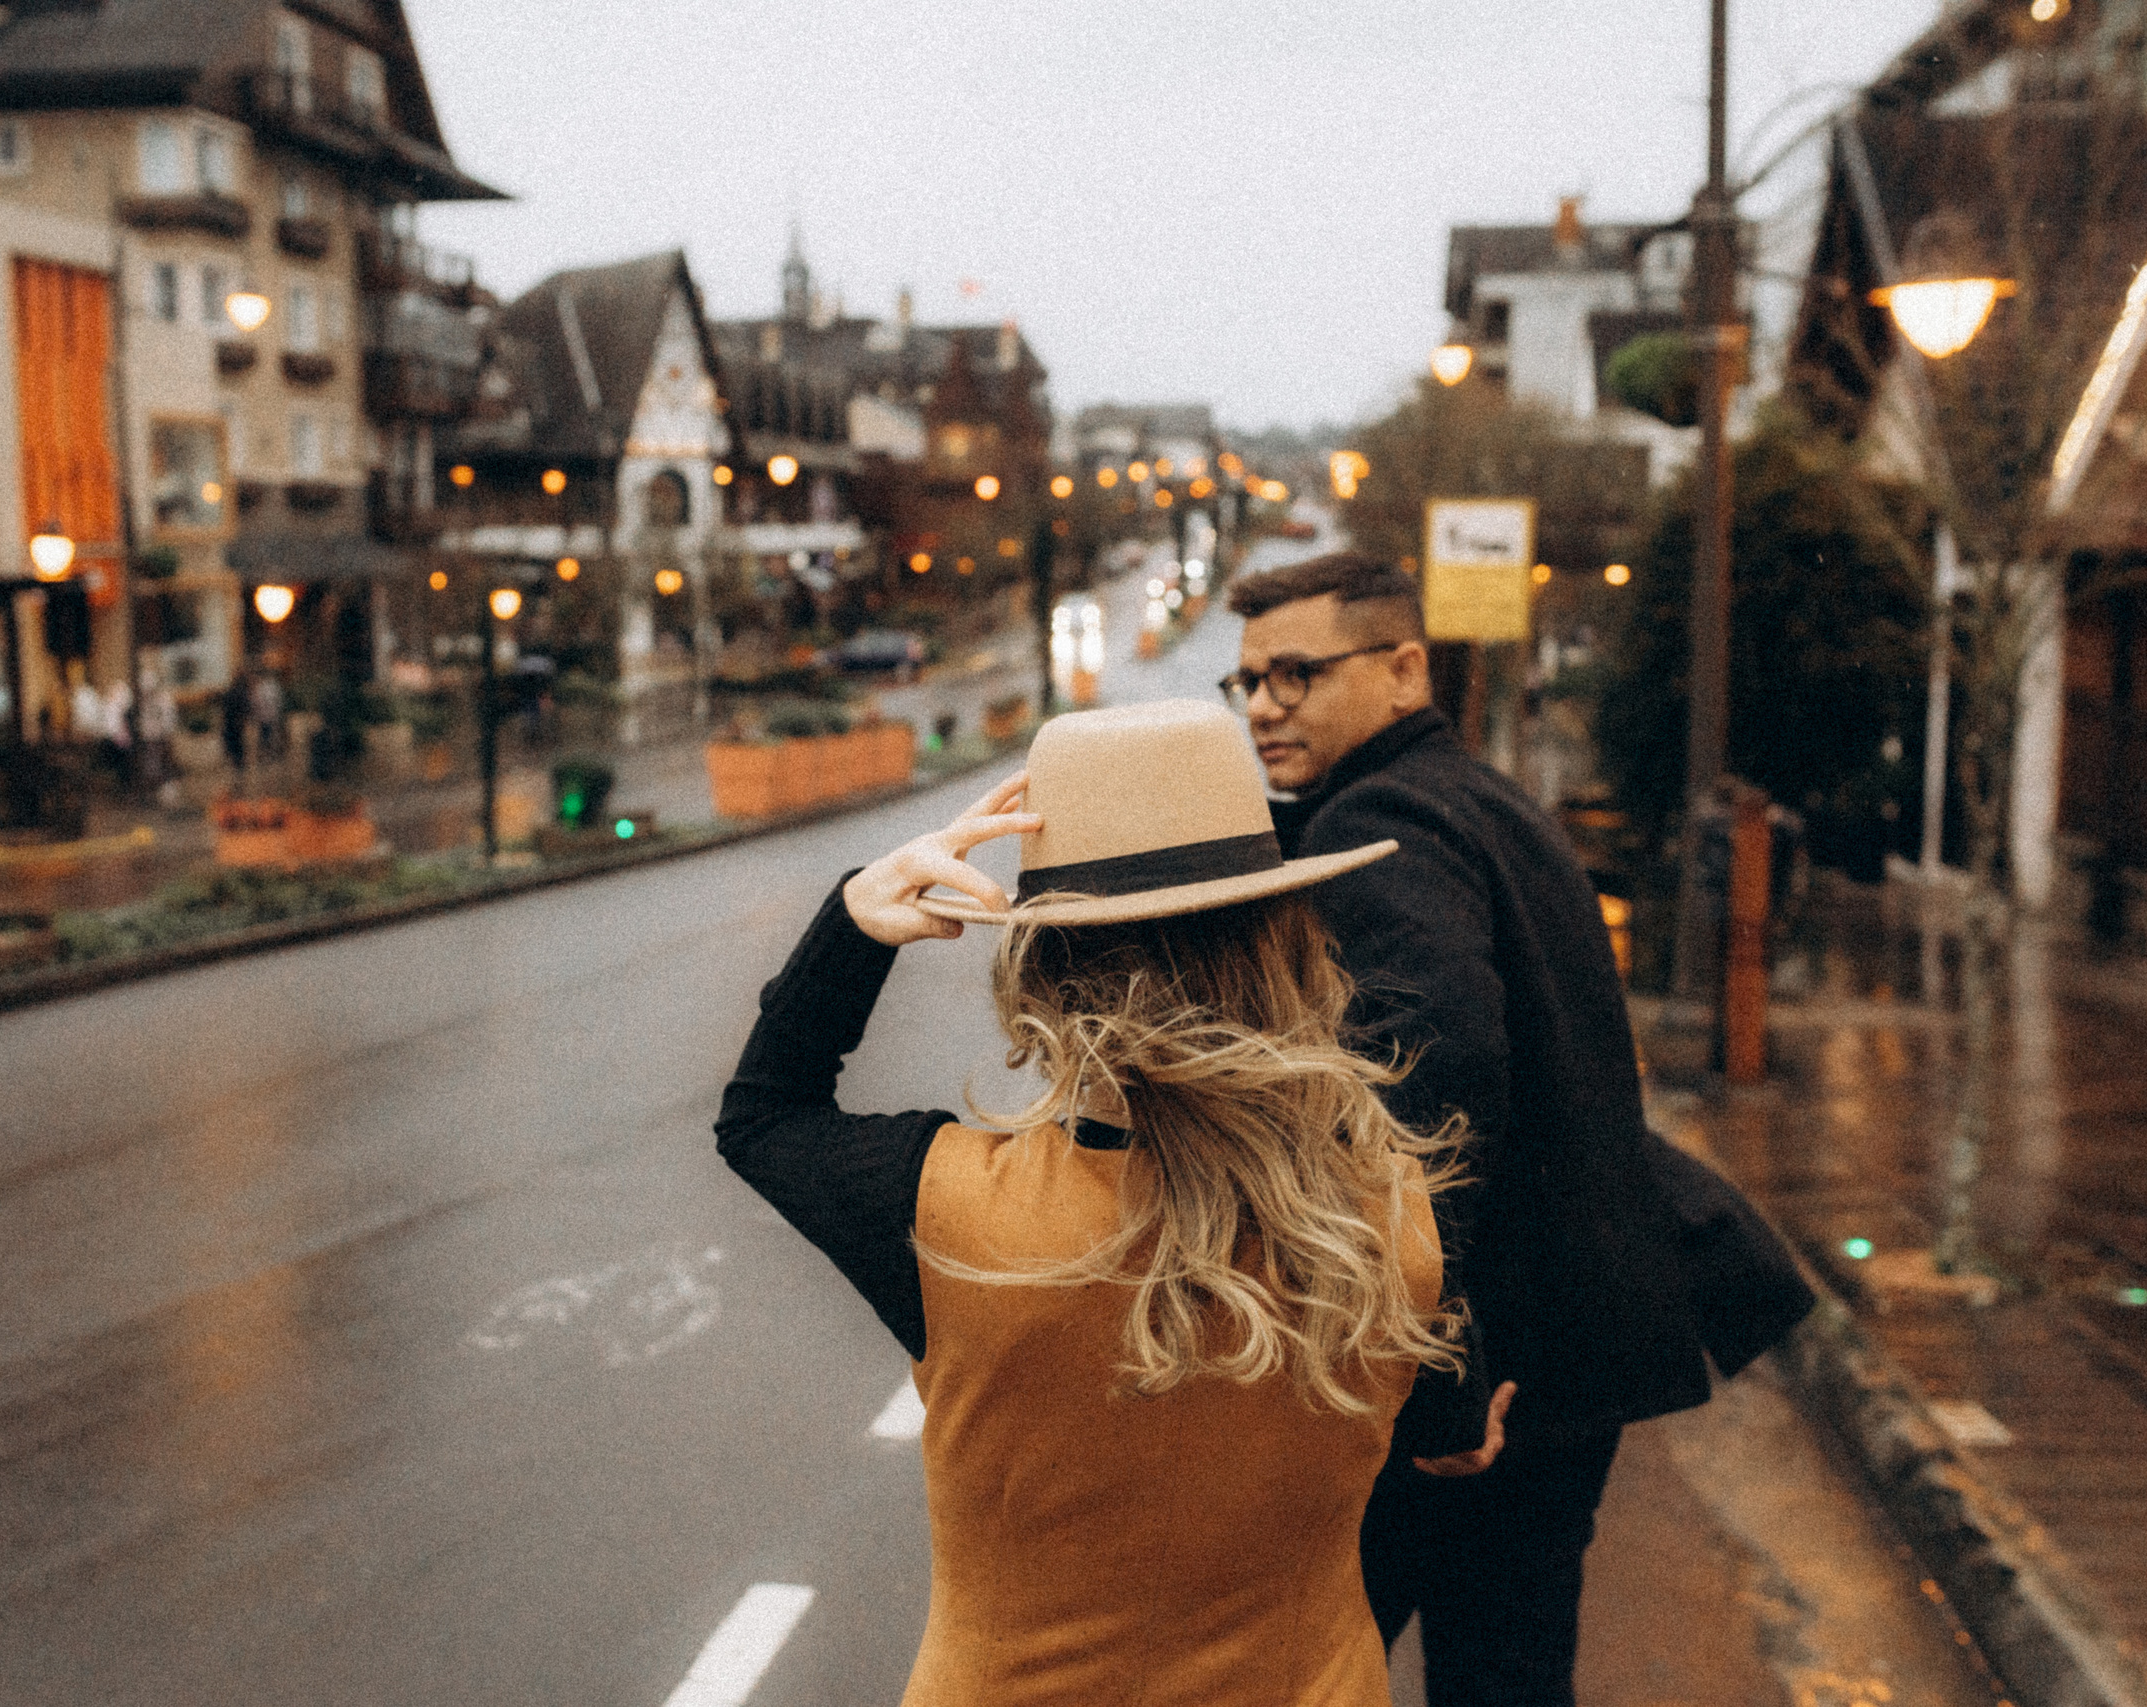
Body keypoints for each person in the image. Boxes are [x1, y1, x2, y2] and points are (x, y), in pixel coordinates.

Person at [718, 699, 1469, 1706]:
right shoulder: (1385, 1211)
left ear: (1039, 971)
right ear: (1288, 944)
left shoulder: (949, 1213)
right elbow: (1426, 1424)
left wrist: (856, 917)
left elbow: (763, 1114)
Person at [1222, 553, 1813, 1706]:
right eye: (1244, 682)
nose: (1262, 706)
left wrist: (1432, 1354)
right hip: (1555, 1364)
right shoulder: (1478, 798)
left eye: (1296, 673)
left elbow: (1432, 1078)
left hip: (1476, 1386)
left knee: (1291, 1671)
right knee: (1506, 1672)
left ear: (1402, 669)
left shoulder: (1382, 818)